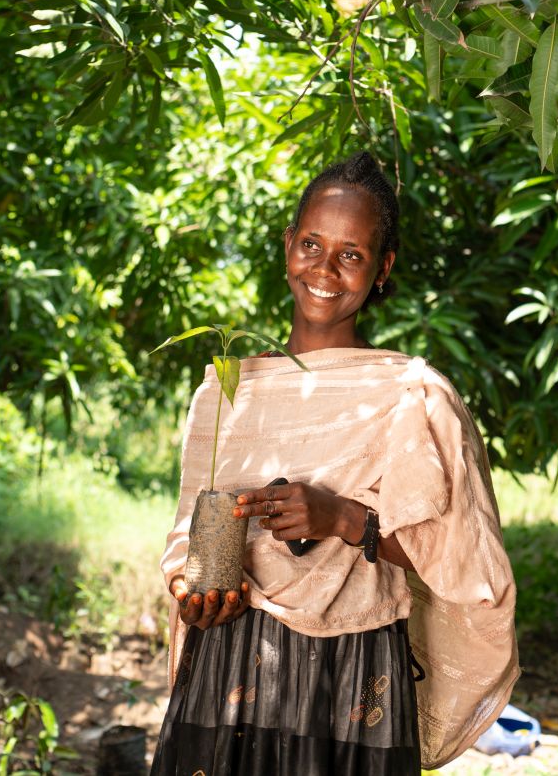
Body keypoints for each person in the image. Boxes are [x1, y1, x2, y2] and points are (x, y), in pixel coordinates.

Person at [151, 151, 519, 775]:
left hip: (350, 680)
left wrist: (346, 519)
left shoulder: (412, 398)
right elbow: (191, 540)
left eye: (352, 253)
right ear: (288, 245)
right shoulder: (226, 394)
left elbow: (467, 565)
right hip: (229, 669)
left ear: (382, 269)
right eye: (312, 244)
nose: (326, 268)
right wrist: (195, 596)